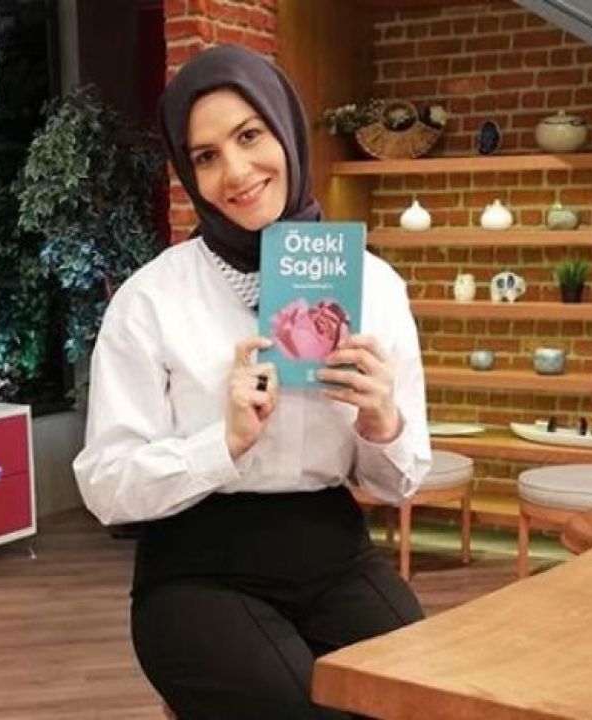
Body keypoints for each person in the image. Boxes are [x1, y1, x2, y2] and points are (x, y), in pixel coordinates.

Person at [73, 44, 432, 719]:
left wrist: (381, 421)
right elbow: (106, 486)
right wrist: (223, 442)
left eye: (249, 136)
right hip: (196, 571)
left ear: (286, 130)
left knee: (427, 700)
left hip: (335, 554)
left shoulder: (374, 287)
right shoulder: (151, 299)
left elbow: (397, 483)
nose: (236, 172)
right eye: (206, 156)